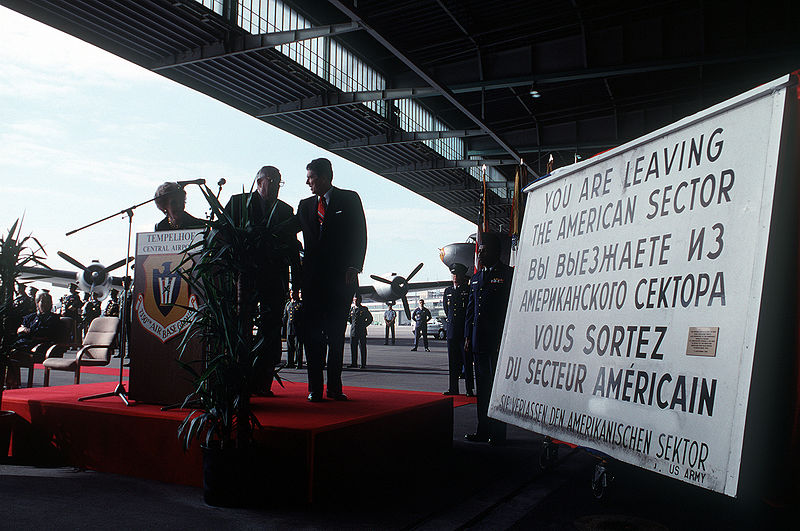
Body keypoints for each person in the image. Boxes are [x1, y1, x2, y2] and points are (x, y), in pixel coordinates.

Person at [295, 157, 367, 402]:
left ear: (325, 177)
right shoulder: (305, 206)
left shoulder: (349, 199)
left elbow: (361, 234)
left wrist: (354, 266)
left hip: (340, 281)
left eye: (311, 177)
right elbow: (287, 230)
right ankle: (315, 388)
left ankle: (335, 388)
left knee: (336, 335)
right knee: (312, 336)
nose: (307, 182)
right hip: (312, 283)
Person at [225, 166, 301, 397]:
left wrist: (296, 283)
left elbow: (292, 249)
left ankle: (262, 382)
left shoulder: (286, 210)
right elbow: (222, 236)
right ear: (259, 182)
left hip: (274, 280)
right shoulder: (238, 203)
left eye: (280, 182)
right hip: (243, 279)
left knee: (270, 333)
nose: (277, 186)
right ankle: (238, 382)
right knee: (241, 330)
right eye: (273, 181)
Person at [464, 232, 513, 445]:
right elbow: (470, 311)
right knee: (482, 389)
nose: (480, 254)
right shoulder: (476, 278)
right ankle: (482, 430)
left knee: (496, 389)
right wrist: (467, 336)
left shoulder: (508, 276)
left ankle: (498, 433)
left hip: (497, 341)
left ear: (496, 251)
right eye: (479, 250)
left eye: (483, 250)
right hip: (478, 342)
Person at [6, 291, 59, 388]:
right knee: (6, 352)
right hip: (24, 343)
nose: (46, 304)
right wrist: (24, 330)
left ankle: (12, 382)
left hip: (39, 345)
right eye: (43, 302)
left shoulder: (53, 318)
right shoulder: (30, 317)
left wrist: (27, 330)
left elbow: (44, 332)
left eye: (48, 302)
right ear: (37, 303)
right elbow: (19, 330)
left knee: (13, 353)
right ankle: (12, 382)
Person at [442, 263, 473, 397]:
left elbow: (469, 312)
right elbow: (446, 310)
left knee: (466, 360)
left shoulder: (467, 290)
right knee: (452, 361)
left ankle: (469, 389)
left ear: (462, 276)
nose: (455, 277)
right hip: (452, 331)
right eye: (453, 274)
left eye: (457, 274)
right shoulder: (448, 291)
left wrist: (468, 334)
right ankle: (453, 388)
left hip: (463, 331)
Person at [348, 294, 373, 369]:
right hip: (353, 332)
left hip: (361, 332)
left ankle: (363, 364)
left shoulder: (364, 309)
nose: (356, 301)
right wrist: (352, 324)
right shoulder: (352, 309)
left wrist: (364, 325)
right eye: (354, 300)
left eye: (357, 300)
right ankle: (354, 363)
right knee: (353, 348)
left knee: (362, 348)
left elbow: (370, 319)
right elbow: (349, 318)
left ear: (360, 300)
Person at [283, 288, 304, 369]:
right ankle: (290, 362)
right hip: (289, 328)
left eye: (293, 293)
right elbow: (285, 317)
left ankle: (299, 363)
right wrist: (283, 329)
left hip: (298, 329)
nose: (292, 294)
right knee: (289, 346)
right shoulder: (288, 304)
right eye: (291, 292)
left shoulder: (300, 304)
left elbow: (303, 317)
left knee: (298, 347)